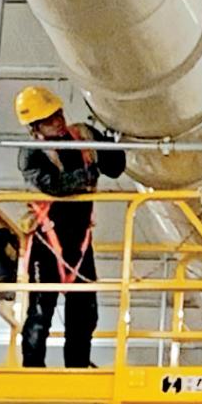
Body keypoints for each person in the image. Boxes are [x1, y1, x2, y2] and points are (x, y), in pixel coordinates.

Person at [14, 86, 126, 368]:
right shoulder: (32, 154)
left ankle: (77, 367)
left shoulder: (83, 136)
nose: (58, 121)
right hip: (47, 242)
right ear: (35, 127)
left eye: (58, 114)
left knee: (85, 313)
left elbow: (115, 167)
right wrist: (89, 172)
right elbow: (55, 185)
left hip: (79, 242)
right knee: (41, 311)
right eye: (49, 119)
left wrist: (113, 141)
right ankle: (32, 372)